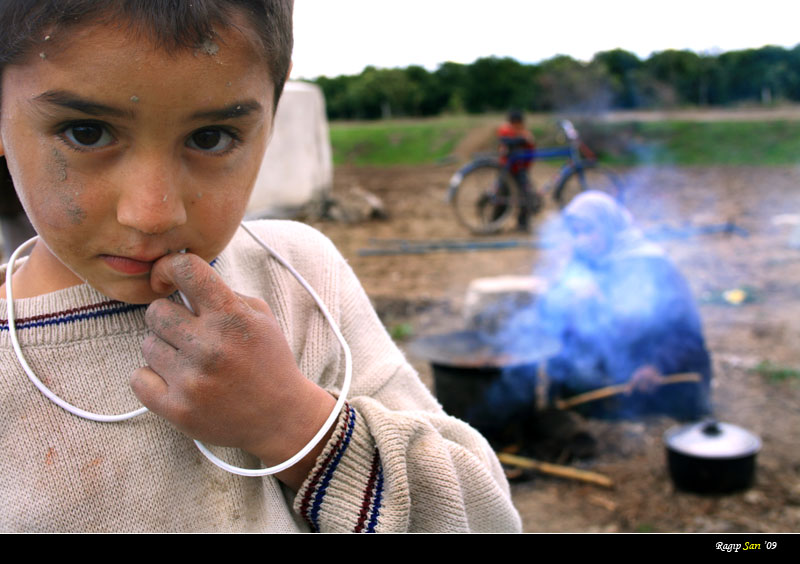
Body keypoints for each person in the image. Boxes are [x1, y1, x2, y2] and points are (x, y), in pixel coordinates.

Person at [0, 1, 521, 533]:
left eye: (210, 137)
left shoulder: (298, 278)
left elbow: (488, 520)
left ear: (272, 111)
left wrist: (293, 424)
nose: (153, 213)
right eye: (86, 132)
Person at [538, 191, 712, 420]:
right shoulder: (583, 262)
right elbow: (555, 317)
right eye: (575, 232)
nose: (582, 239)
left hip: (652, 366)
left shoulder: (652, 264)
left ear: (611, 228)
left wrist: (657, 366)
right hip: (611, 364)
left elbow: (687, 334)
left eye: (589, 230)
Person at [496, 110, 539, 231]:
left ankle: (522, 223)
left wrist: (526, 139)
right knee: (502, 194)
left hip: (520, 169)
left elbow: (531, 145)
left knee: (526, 194)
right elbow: (505, 140)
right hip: (508, 169)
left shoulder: (524, 133)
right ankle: (494, 222)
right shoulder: (506, 130)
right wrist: (523, 139)